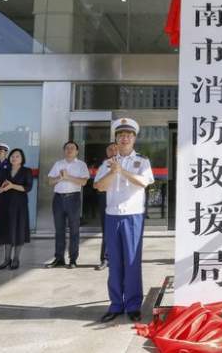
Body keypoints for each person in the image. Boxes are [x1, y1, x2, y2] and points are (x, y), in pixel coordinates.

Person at [95, 118, 154, 323]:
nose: (124, 138)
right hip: (112, 216)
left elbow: (143, 182)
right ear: (116, 139)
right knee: (115, 263)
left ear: (134, 138)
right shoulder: (107, 163)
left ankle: (133, 305)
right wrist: (113, 172)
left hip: (133, 216)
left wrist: (123, 171)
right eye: (120, 135)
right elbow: (100, 186)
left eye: (128, 135)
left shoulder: (142, 161)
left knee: (131, 261)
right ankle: (116, 305)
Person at [46, 141, 90, 269]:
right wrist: (60, 178)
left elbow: (83, 182)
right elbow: (50, 181)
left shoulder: (81, 165)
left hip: (73, 199)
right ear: (64, 151)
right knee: (59, 230)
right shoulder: (58, 164)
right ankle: (59, 258)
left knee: (74, 230)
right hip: (58, 199)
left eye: (72, 148)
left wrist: (68, 177)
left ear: (77, 151)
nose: (69, 150)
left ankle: (73, 260)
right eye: (67, 148)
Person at [0, 148, 33, 270]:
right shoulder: (4, 171)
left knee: (18, 232)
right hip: (6, 206)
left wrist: (12, 186)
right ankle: (6, 260)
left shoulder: (26, 171)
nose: (14, 158)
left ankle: (16, 259)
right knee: (7, 232)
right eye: (12, 156)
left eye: (17, 156)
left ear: (22, 159)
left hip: (20, 206)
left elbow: (27, 188)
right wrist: (2, 189)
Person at [93, 142, 118, 271]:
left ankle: (120, 259)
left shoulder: (125, 162)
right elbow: (95, 184)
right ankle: (105, 259)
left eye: (115, 148)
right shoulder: (104, 165)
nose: (113, 150)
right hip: (105, 198)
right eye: (110, 149)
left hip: (121, 199)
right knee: (107, 230)